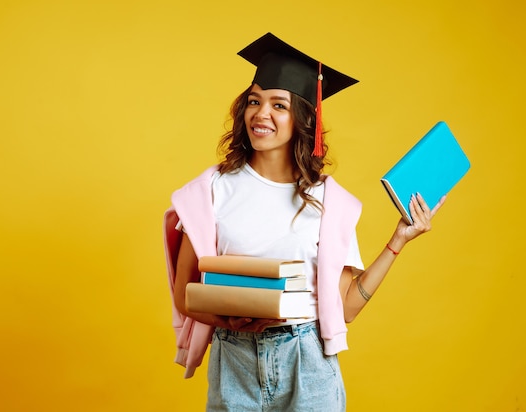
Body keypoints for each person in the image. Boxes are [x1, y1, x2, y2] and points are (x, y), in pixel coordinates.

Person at [163, 32, 445, 411]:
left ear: (303, 118)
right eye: (254, 101)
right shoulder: (210, 190)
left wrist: (398, 240)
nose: (261, 113)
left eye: (278, 105)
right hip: (234, 361)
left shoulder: (330, 201)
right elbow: (185, 293)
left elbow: (343, 308)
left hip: (307, 360)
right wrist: (228, 317)